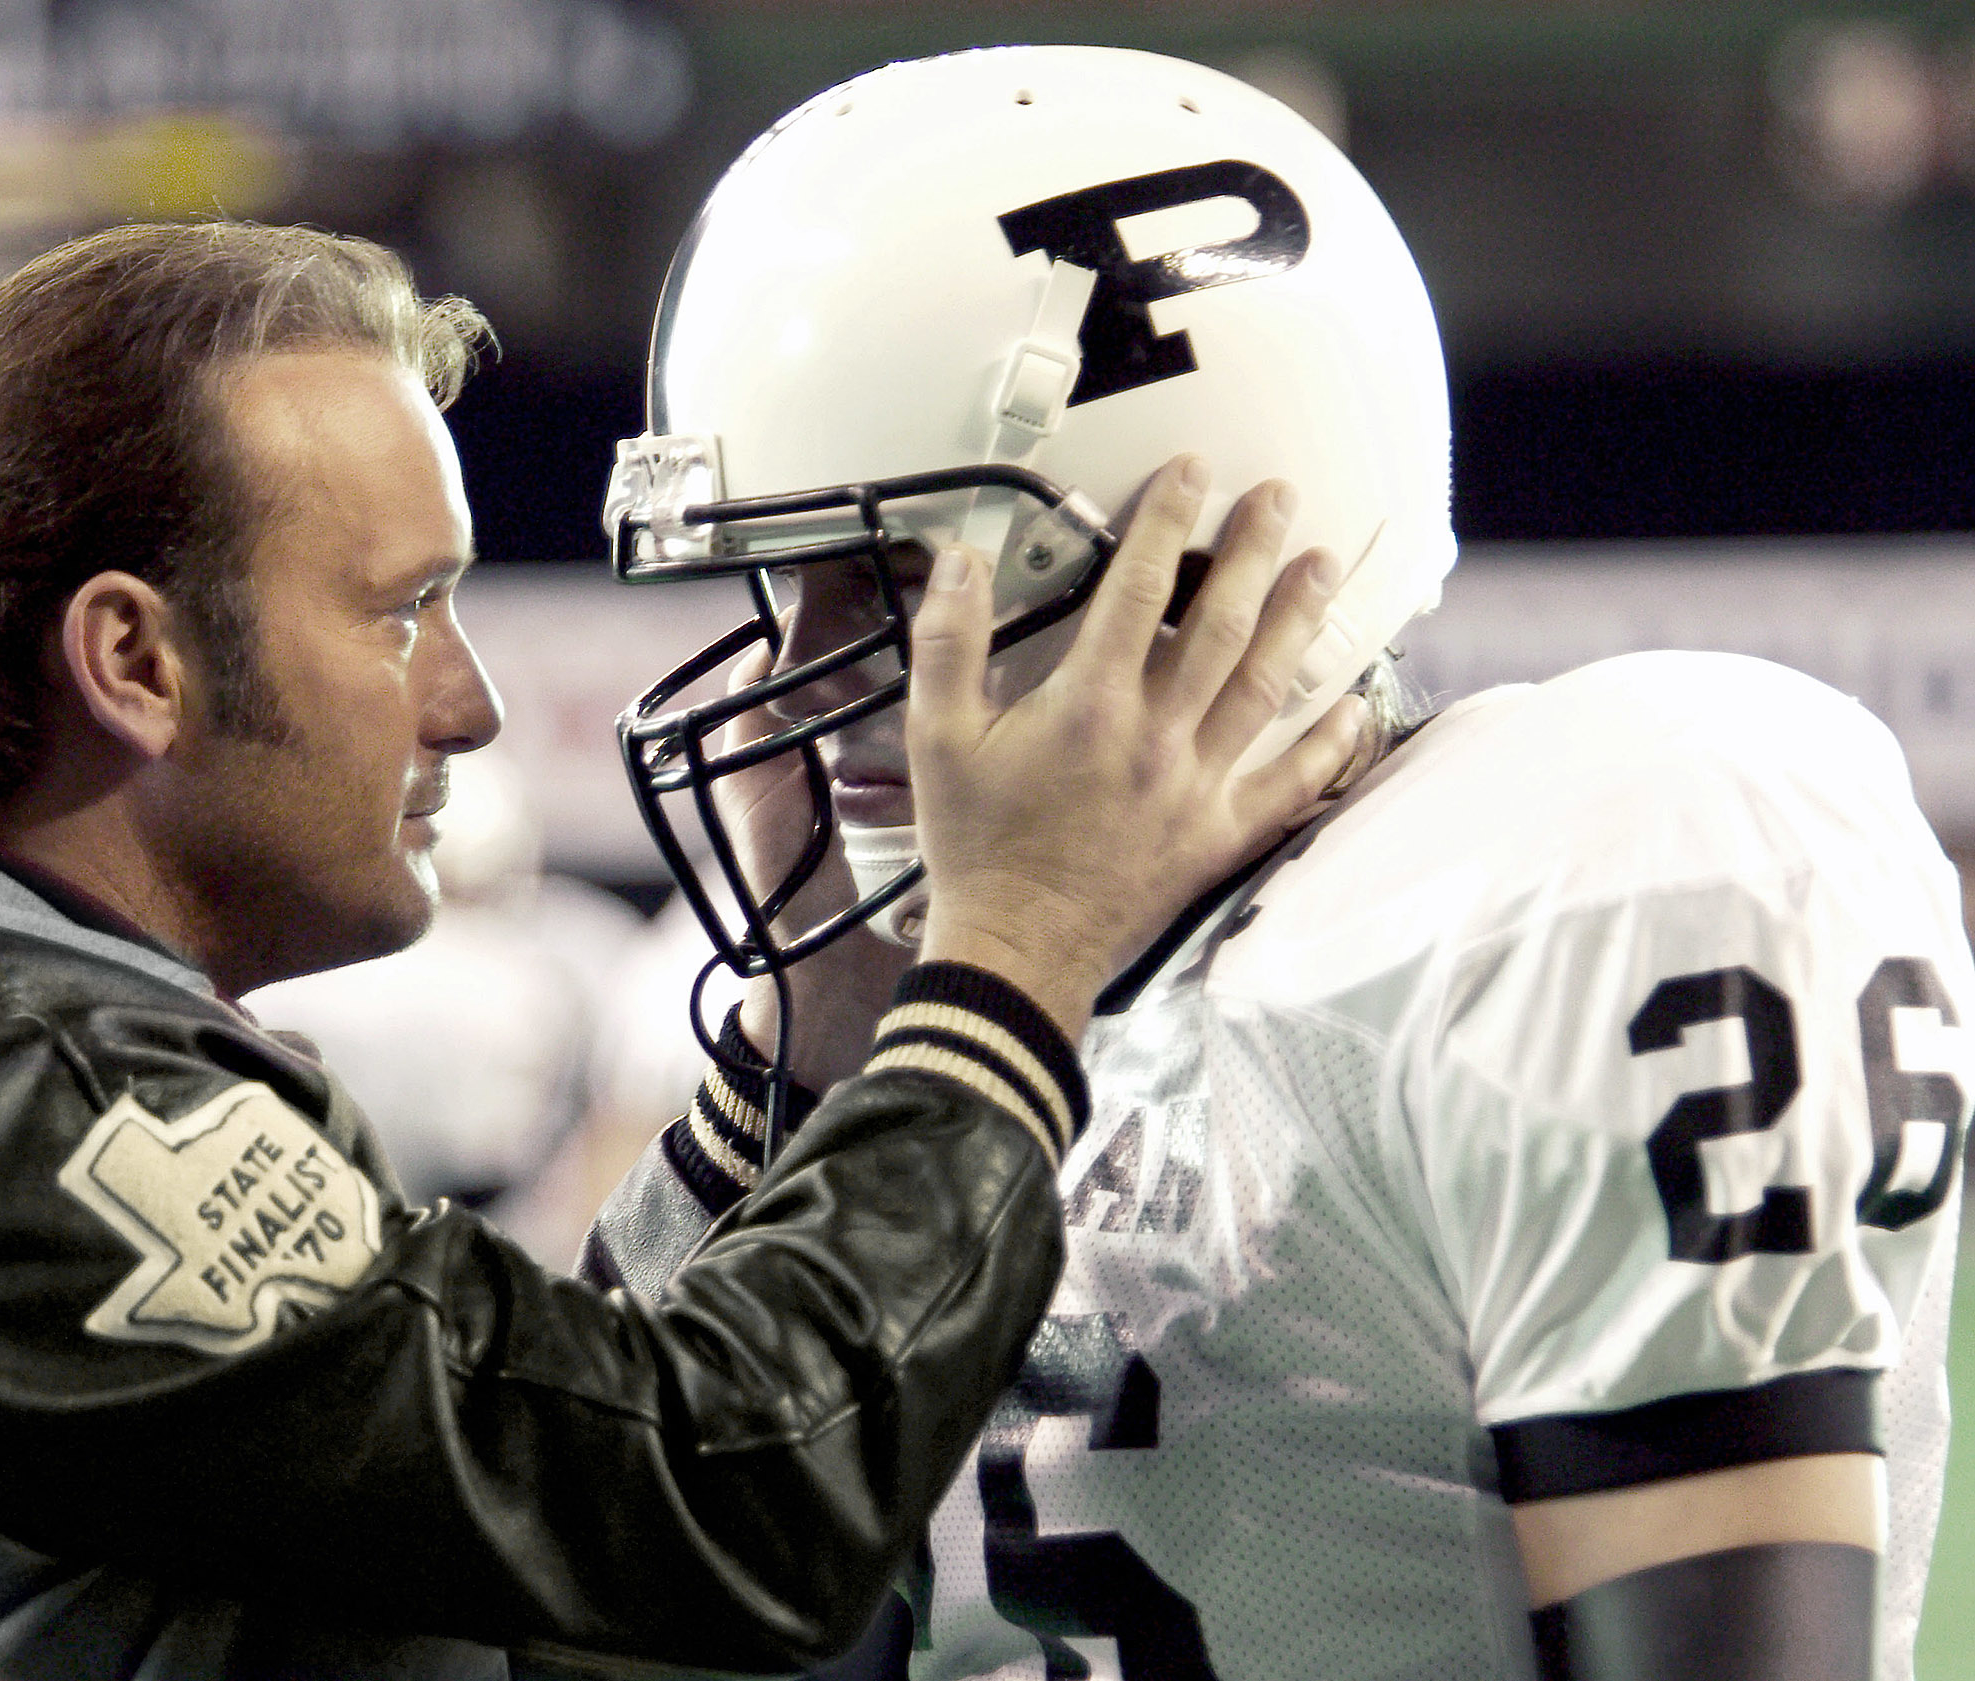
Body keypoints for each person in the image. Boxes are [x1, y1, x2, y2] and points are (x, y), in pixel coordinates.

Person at [0, 220, 1359, 1678]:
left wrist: (807, 1053)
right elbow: (731, 1515)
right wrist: (1012, 960)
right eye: (406, 614)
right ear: (134, 662)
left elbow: (554, 1524)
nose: (469, 708)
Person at [588, 47, 1968, 1681]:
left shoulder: (1586, 862)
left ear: (1192, 549)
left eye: (886, 573)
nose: (793, 683)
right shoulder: (962, 1023)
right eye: (774, 589)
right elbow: (633, 1601)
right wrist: (829, 1052)